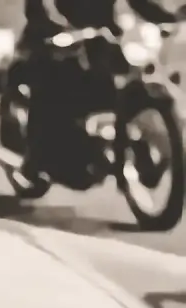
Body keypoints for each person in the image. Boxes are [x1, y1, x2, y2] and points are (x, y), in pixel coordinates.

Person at [18, 0, 179, 177]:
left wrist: (172, 19)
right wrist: (61, 30)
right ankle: (34, 156)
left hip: (106, 45)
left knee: (133, 87)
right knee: (51, 85)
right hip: (66, 44)